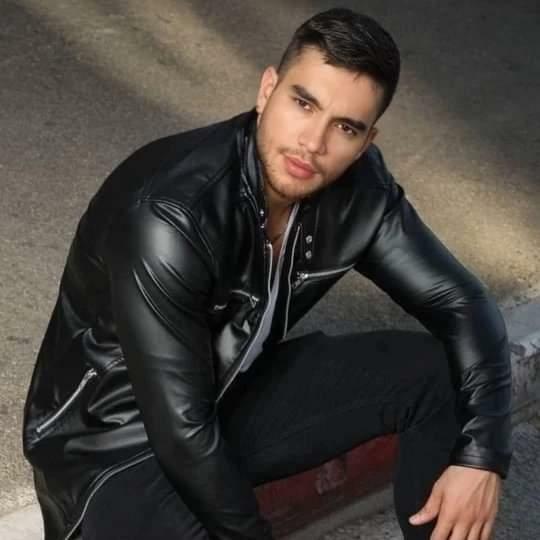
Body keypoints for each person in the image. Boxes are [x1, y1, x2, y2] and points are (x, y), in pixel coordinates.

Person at [22, 8, 512, 540]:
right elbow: (183, 434)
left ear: (367, 141)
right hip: (114, 448)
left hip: (227, 401)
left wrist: (482, 457)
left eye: (345, 127)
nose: (313, 143)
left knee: (437, 376)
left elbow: (463, 305)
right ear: (267, 90)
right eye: (304, 104)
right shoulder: (172, 216)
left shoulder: (361, 193)